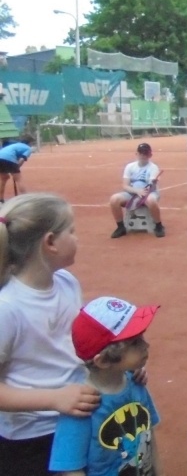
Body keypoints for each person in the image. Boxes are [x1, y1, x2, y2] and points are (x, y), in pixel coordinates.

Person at [0, 193, 101, 476]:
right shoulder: (7, 308)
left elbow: (77, 345)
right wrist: (54, 399)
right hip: (30, 439)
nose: (77, 238)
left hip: (75, 421)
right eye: (72, 231)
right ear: (50, 242)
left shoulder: (67, 282)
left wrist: (119, 365)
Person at [49, 296, 163, 475]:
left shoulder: (136, 383)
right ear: (102, 361)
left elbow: (148, 437)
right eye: (134, 343)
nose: (146, 345)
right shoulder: (82, 404)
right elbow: (71, 469)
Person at [108, 143, 165, 239]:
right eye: (141, 153)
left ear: (150, 155)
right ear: (137, 154)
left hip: (150, 193)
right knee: (114, 199)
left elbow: (151, 187)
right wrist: (137, 191)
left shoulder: (153, 167)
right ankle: (120, 227)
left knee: (151, 200)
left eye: (146, 153)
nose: (143, 156)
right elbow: (125, 186)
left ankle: (158, 225)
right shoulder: (130, 167)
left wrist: (151, 185)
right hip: (132, 193)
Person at [0, 133, 36, 203]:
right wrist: (16, 168)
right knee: (18, 179)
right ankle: (26, 199)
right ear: (29, 142)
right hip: (9, 159)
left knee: (4, 178)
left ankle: (0, 198)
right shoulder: (28, 148)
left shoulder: (15, 145)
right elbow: (22, 160)